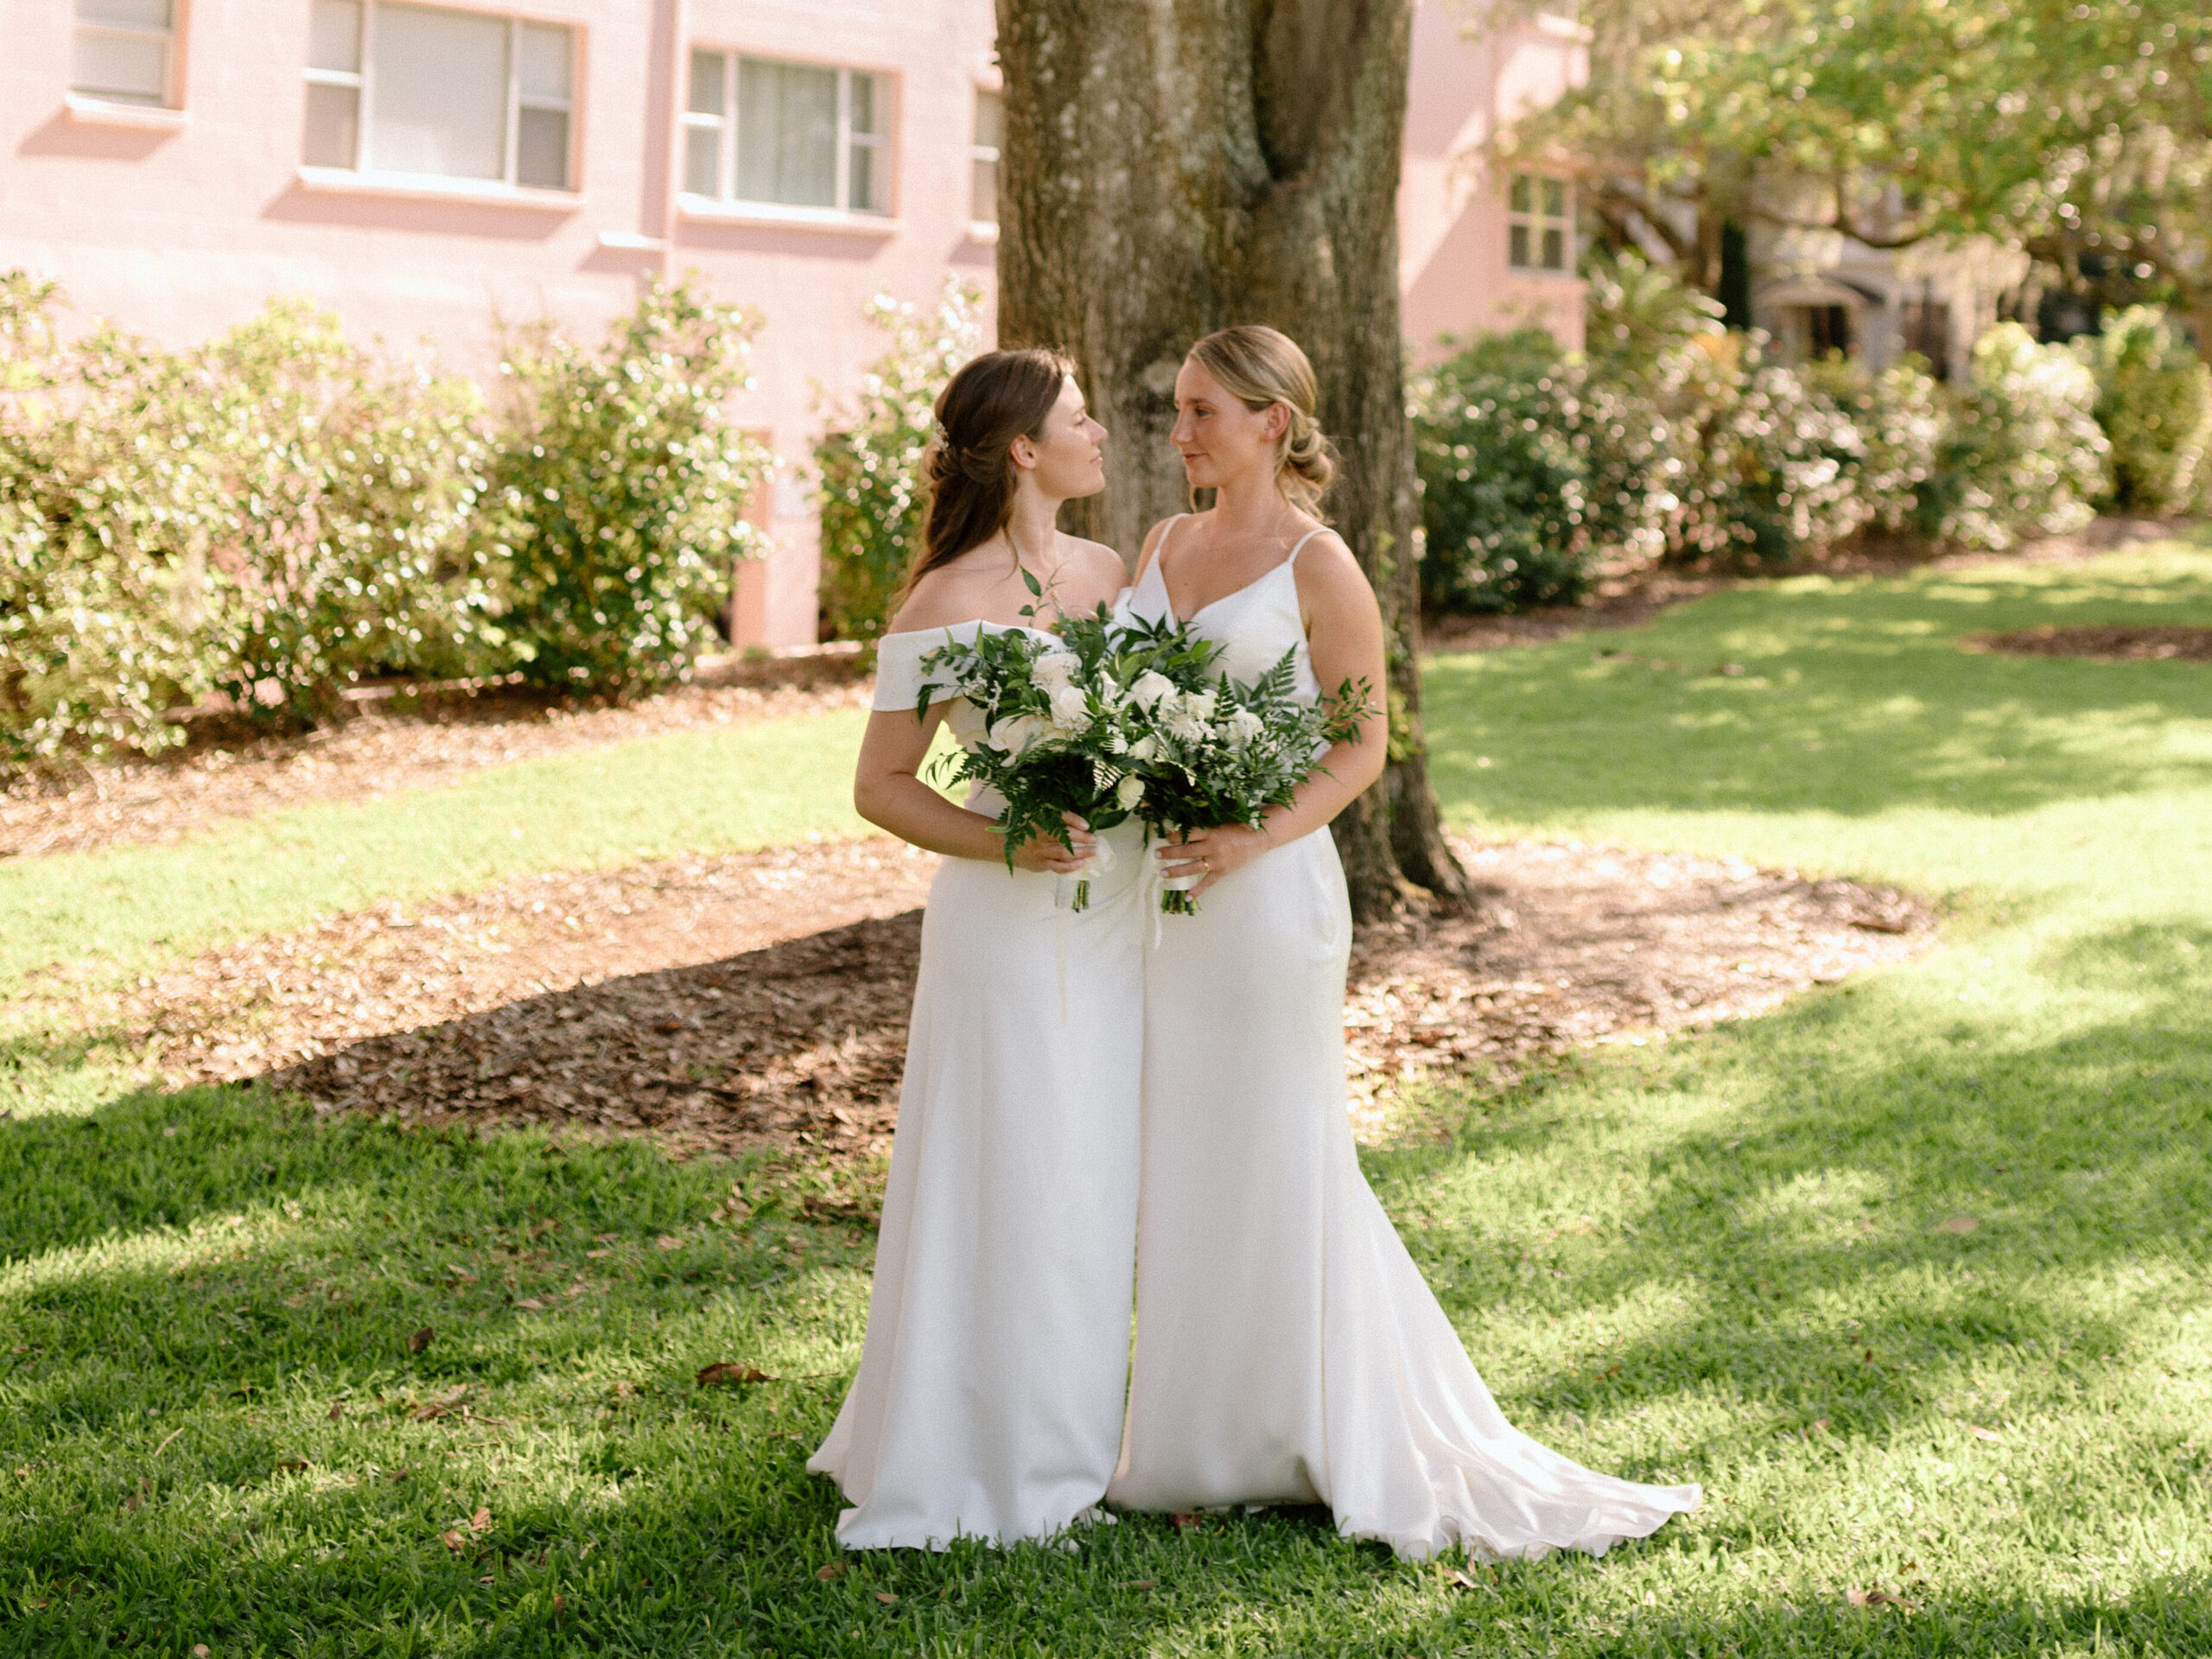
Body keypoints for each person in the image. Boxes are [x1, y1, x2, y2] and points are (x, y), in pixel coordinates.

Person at [1107, 324, 1701, 1560]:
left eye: (1206, 410)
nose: (1183, 432)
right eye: (1178, 409)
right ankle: (1197, 1435)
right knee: (1183, 1152)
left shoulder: (1321, 567)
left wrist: (1247, 834)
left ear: (1274, 421)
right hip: (1159, 898)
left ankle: (1320, 1425)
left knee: (1277, 1150)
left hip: (1267, 898)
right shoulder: (1160, 547)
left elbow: (1360, 743)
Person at [807, 349, 1143, 1549]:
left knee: (1096, 1163)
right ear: (1021, 451)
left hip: (1117, 917)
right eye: (1075, 417)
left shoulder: (1112, 573)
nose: (1097, 430)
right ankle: (993, 1440)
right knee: (1015, 1160)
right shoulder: (943, 604)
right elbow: (880, 784)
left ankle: (1084, 1426)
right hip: (1003, 928)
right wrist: (1004, 838)